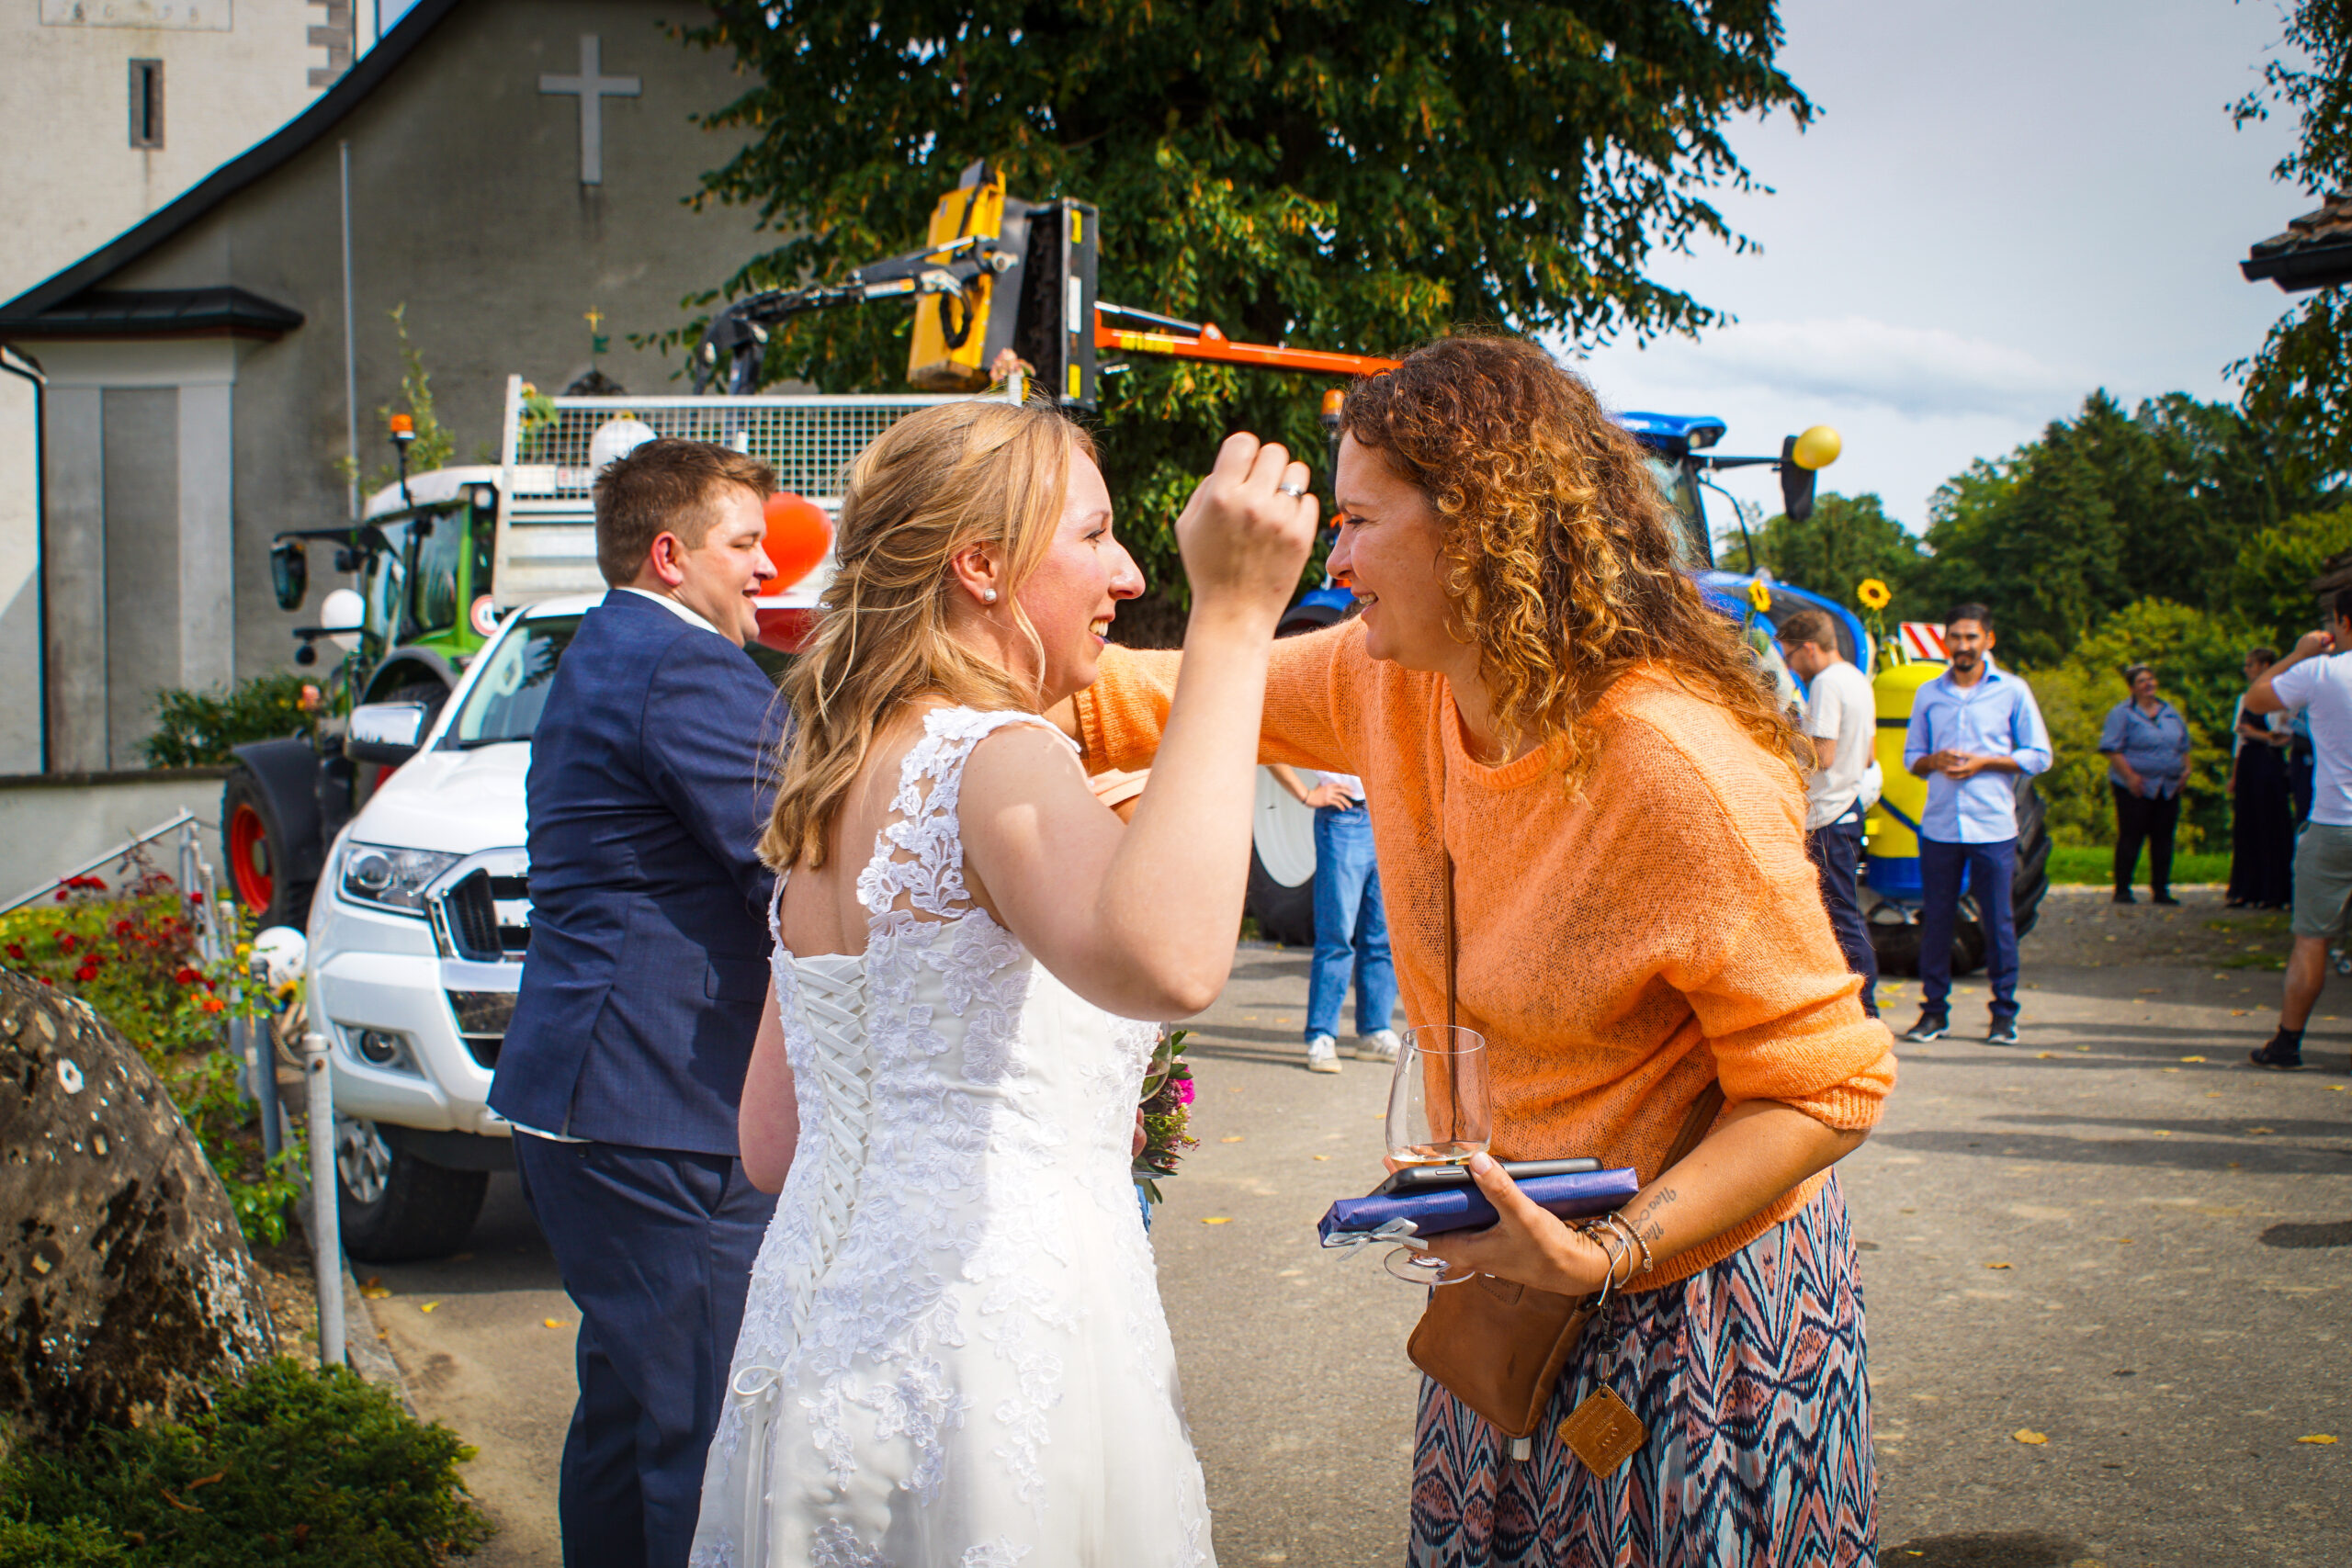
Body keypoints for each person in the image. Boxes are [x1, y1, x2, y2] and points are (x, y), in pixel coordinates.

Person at [1065, 337, 1894, 1567]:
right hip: (1503, 1284)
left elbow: (1825, 1087)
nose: (1333, 561)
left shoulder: (1671, 766)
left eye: (1357, 521)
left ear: (1480, 527)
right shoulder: (1390, 679)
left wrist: (1605, 1251)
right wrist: (909, 689)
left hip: (1690, 1311)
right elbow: (1129, 698)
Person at [693, 400, 1317, 1565]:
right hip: (998, 1362)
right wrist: (1234, 618)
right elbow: (1177, 963)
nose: (1129, 574)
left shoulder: (830, 783)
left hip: (811, 1356)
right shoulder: (994, 756)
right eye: (1095, 535)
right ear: (981, 566)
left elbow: (772, 1146)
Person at [488, 439, 786, 1568]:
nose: (766, 567)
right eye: (744, 544)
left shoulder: (606, 647)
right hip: (666, 1111)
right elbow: (794, 867)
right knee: (708, 1438)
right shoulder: (686, 667)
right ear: (670, 555)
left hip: (587, 1098)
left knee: (625, 1416)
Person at [1899, 604, 2052, 1047]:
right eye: (1956, 637)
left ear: (1988, 640)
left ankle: (2003, 1014)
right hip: (1941, 826)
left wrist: (1986, 762)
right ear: (1946, 641)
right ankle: (1933, 1012)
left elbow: (2039, 755)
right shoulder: (1929, 693)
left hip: (1993, 826)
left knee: (1998, 922)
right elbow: (1912, 759)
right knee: (1936, 921)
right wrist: (1935, 761)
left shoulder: (2013, 691)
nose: (1963, 646)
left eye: (1971, 637)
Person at [2245, 595, 2352, 1070]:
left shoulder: (2321, 672)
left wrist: (2297, 653)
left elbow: (2256, 699)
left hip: (2333, 822)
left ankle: (2287, 1044)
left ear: (2342, 621)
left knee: (2312, 939)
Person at [1779, 608, 1881, 1017]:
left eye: (1790, 656)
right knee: (1845, 912)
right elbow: (1868, 754)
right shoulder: (1857, 679)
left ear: (1809, 648)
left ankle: (1865, 1011)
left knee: (1837, 918)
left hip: (1828, 813)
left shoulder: (1826, 683)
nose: (1792, 667)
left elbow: (1823, 754)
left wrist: (1783, 734)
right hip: (1849, 804)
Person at [1269, 762, 1401, 1069]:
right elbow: (1268, 745)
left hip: (1391, 815)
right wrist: (1305, 794)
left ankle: (1374, 1031)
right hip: (1345, 817)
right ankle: (1322, 1035)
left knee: (1382, 937)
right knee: (1336, 936)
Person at [2098, 663, 2193, 905]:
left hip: (2168, 786)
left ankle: (2161, 889)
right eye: (2142, 681)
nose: (2148, 684)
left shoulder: (2170, 712)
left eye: (2150, 679)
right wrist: (2130, 776)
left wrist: (2186, 770)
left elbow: (2183, 745)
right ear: (2132, 687)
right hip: (2134, 786)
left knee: (2164, 838)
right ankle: (2123, 889)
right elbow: (2111, 748)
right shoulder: (2122, 713)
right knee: (2131, 836)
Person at [2228, 646, 2294, 910]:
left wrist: (2256, 734)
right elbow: (2238, 742)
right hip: (2248, 764)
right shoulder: (2244, 698)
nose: (2247, 670)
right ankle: (2246, 888)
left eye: (2251, 665)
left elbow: (2284, 737)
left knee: (2271, 824)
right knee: (2247, 824)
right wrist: (2234, 775)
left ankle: (2274, 890)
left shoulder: (2282, 696)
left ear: (2265, 666)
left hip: (2269, 762)